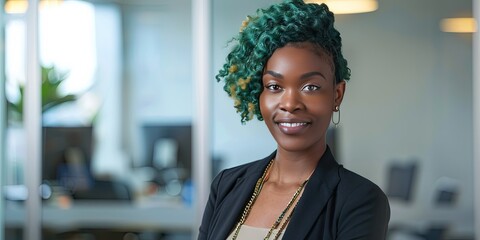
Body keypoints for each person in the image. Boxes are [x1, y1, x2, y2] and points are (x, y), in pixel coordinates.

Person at [198, 0, 390, 239]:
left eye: (310, 87)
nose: (289, 104)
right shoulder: (227, 185)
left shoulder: (359, 199)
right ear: (259, 94)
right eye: (274, 86)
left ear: (336, 95)